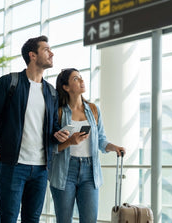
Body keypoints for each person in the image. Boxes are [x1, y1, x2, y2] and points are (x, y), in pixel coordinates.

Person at [0, 36, 68, 223]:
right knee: (9, 218)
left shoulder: (51, 92)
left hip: (41, 168)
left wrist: (58, 134)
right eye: (46, 50)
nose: (52, 53)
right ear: (33, 55)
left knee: (32, 219)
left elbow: (52, 127)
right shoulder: (9, 82)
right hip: (13, 165)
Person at [49, 68, 126, 223]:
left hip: (90, 173)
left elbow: (101, 140)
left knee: (90, 220)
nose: (82, 81)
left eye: (81, 77)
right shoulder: (58, 112)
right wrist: (70, 141)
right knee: (63, 220)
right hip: (65, 171)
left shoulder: (93, 109)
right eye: (76, 79)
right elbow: (51, 148)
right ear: (66, 87)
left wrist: (114, 147)